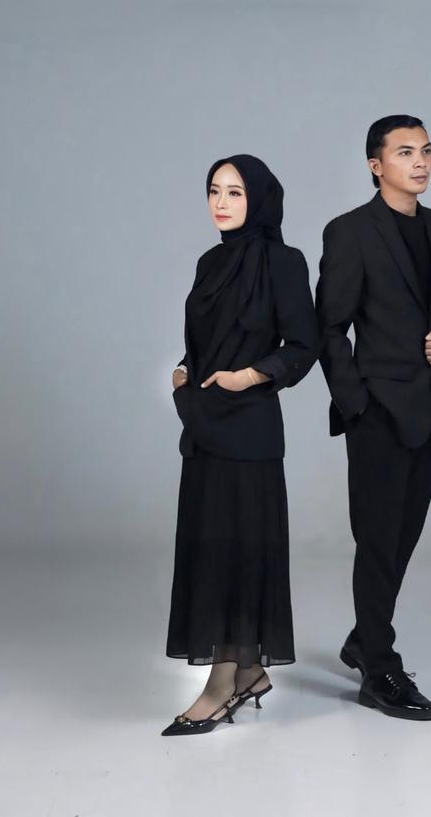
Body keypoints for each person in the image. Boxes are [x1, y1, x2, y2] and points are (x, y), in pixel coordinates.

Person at [315, 115, 431, 721]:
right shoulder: (350, 232)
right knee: (377, 539)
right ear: (375, 165)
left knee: (404, 536)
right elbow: (329, 326)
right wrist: (356, 403)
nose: (421, 162)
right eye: (406, 152)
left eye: (427, 151)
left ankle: (365, 637)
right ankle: (379, 669)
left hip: (430, 408)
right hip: (377, 411)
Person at [162, 153, 318, 737]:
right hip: (205, 425)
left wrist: (248, 376)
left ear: (259, 199)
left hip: (249, 428)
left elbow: (302, 345)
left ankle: (220, 685)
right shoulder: (209, 263)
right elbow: (203, 342)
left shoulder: (284, 262)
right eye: (214, 190)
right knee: (210, 547)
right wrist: (185, 369)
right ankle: (249, 671)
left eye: (235, 192)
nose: (221, 203)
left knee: (239, 551)